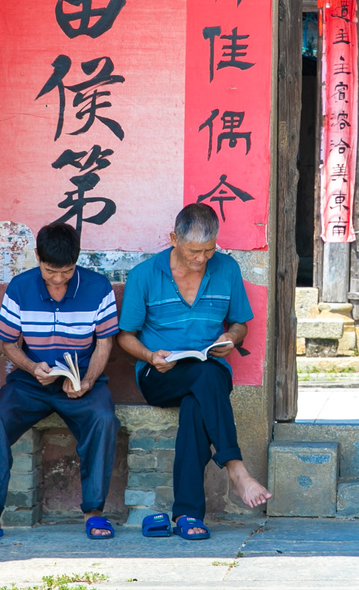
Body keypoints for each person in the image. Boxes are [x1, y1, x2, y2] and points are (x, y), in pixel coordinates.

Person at [115, 203, 271, 540]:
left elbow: (240, 324)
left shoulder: (226, 269)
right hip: (159, 373)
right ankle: (236, 469)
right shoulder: (145, 275)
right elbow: (125, 337)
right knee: (206, 378)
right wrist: (149, 355)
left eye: (208, 250)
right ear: (174, 239)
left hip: (207, 366)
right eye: (193, 251)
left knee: (197, 400)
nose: (201, 259)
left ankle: (187, 516)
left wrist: (230, 337)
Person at [0, 219, 120, 543]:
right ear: (37, 256)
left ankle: (94, 513)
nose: (59, 279)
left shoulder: (98, 287)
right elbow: (9, 343)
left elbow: (105, 342)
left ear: (77, 260)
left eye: (67, 271)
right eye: (51, 271)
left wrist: (88, 380)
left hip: (81, 380)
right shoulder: (20, 288)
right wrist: (33, 367)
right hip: (31, 381)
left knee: (104, 419)